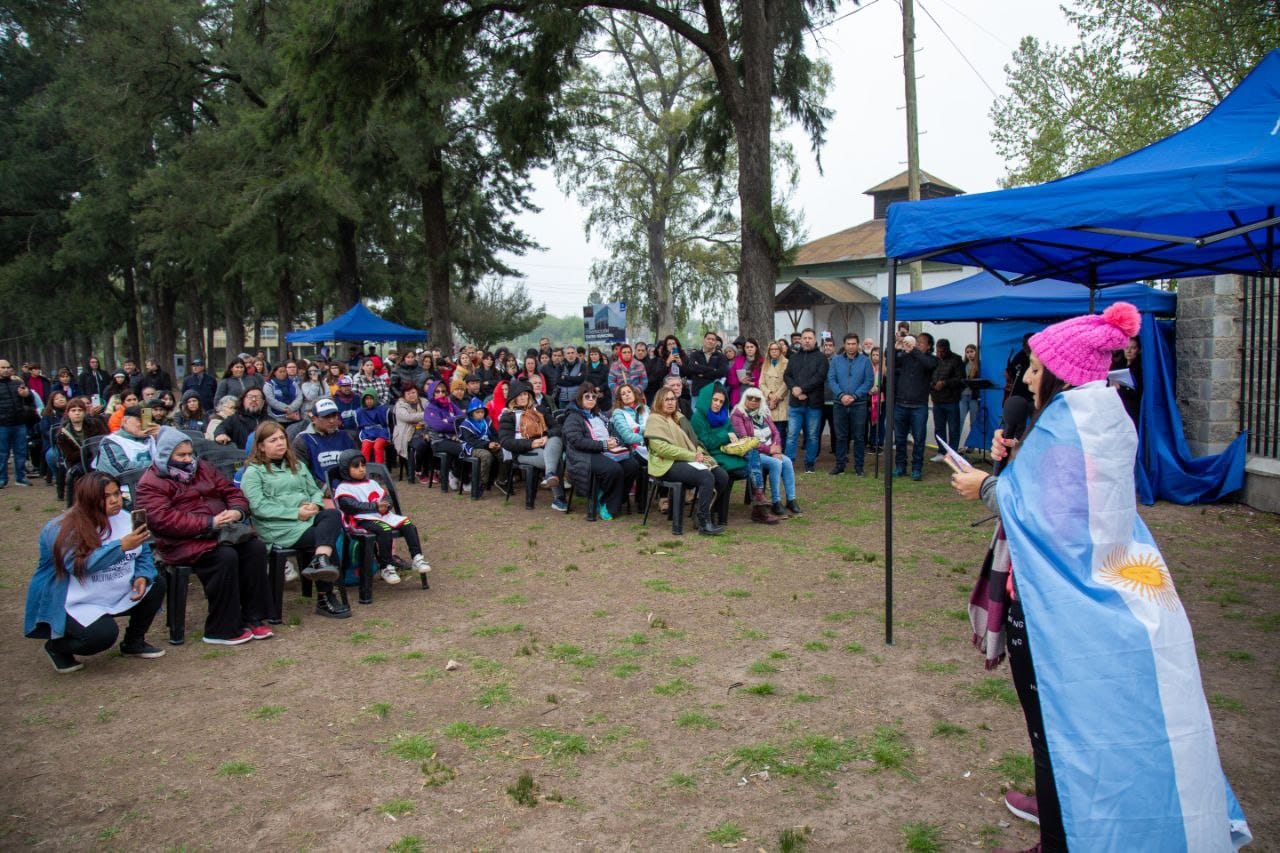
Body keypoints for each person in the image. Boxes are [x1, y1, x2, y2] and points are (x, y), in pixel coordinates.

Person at [949, 303, 1251, 853]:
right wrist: (1014, 459)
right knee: (1068, 727)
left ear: (1065, 375)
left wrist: (987, 487)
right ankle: (1062, 809)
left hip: (1051, 612)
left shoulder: (1066, 437)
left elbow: (1049, 522)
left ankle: (1060, 836)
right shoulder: (1099, 420)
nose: (1027, 378)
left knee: (1052, 732)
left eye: (1038, 369)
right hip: (1088, 601)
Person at [135, 427, 272, 645]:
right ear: (165, 454)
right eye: (181, 455)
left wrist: (237, 511)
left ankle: (253, 616)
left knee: (254, 549)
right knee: (225, 556)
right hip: (180, 541)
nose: (188, 459)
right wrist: (209, 522)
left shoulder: (204, 468)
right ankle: (221, 627)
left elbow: (231, 492)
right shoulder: (151, 482)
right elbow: (162, 519)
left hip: (218, 532)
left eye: (190, 453)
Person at [24, 472, 166, 671]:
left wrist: (142, 575)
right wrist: (121, 546)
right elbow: (77, 566)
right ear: (89, 499)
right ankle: (56, 647)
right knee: (101, 636)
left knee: (156, 583)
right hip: (75, 598)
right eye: (106, 497)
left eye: (116, 493)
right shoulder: (61, 528)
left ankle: (134, 642)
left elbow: (142, 553)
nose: (115, 500)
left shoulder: (125, 518)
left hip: (114, 586)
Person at [240, 421, 349, 618]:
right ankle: (325, 596)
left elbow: (314, 491)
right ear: (261, 446)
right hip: (279, 528)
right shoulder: (253, 473)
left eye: (282, 438)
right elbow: (258, 507)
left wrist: (315, 505)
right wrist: (295, 513)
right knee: (323, 536)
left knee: (333, 514)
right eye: (273, 440)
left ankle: (320, 559)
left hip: (307, 518)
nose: (280, 443)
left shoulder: (297, 465)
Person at [331, 449, 430, 585]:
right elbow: (350, 505)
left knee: (408, 524)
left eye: (363, 465)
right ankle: (386, 566)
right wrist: (374, 507)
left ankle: (417, 557)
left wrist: (386, 505)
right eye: (356, 466)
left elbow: (385, 497)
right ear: (345, 469)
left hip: (381, 515)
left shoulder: (371, 483)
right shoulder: (344, 488)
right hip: (360, 520)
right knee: (384, 529)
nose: (361, 469)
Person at [645, 386, 728, 535]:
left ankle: (701, 510)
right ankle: (704, 522)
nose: (671, 402)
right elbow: (662, 449)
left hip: (685, 460)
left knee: (721, 476)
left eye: (673, 399)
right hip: (666, 463)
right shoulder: (654, 419)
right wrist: (691, 456)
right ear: (659, 401)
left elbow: (692, 441)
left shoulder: (679, 418)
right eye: (667, 399)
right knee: (705, 476)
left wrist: (698, 453)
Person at [691, 383, 774, 524]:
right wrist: (725, 435)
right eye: (715, 400)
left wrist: (733, 437)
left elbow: (732, 433)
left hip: (729, 452)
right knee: (752, 466)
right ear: (707, 398)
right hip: (711, 455)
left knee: (754, 455)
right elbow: (707, 442)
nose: (718, 404)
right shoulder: (698, 417)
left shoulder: (723, 416)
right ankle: (758, 505)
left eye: (721, 402)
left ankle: (758, 500)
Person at [562, 383, 639, 520]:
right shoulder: (573, 417)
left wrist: (614, 441)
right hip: (582, 455)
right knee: (613, 469)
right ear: (580, 398)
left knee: (632, 465)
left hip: (605, 451)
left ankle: (615, 499)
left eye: (594, 396)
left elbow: (610, 432)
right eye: (587, 396)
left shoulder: (598, 415)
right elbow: (576, 441)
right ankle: (605, 502)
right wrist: (603, 445)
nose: (591, 399)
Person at [498, 379, 568, 511]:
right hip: (523, 451)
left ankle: (550, 476)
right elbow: (505, 442)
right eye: (519, 395)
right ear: (513, 398)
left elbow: (558, 427)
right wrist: (531, 443)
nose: (523, 397)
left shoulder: (540, 409)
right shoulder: (508, 416)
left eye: (525, 394)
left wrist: (546, 435)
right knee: (554, 459)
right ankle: (559, 497)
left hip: (546, 444)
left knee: (555, 439)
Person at [732, 387, 797, 517]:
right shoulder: (738, 415)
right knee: (776, 464)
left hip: (770, 451)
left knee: (787, 461)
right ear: (745, 398)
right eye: (750, 397)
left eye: (757, 399)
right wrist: (769, 449)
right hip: (752, 454)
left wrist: (776, 448)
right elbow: (745, 441)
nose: (753, 401)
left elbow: (775, 433)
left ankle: (791, 499)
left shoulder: (764, 413)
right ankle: (776, 501)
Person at [826, 333, 873, 476]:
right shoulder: (836, 360)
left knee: (859, 436)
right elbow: (831, 379)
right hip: (839, 404)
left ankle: (859, 466)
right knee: (840, 436)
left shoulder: (865, 361)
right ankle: (840, 464)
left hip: (858, 403)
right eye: (848, 343)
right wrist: (841, 395)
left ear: (858, 345)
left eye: (854, 344)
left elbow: (868, 381)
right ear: (844, 345)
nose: (851, 346)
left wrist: (854, 395)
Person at [892, 333, 938, 481]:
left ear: (929, 346)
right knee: (899, 438)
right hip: (901, 404)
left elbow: (929, 364)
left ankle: (917, 468)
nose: (917, 344)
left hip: (919, 406)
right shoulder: (906, 357)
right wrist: (896, 347)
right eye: (916, 342)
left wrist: (914, 350)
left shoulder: (931, 359)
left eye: (921, 343)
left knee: (919, 439)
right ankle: (900, 466)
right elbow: (891, 361)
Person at [783, 329, 826, 473]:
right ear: (800, 340)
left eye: (810, 338)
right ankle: (789, 463)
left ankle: (809, 463)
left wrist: (802, 389)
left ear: (815, 340)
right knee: (791, 436)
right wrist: (794, 388)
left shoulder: (821, 358)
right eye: (804, 338)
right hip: (796, 404)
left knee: (813, 436)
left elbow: (819, 378)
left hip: (813, 404)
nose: (807, 340)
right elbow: (787, 376)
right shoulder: (794, 358)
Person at [292, 397, 358, 485]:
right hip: (320, 493)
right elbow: (302, 474)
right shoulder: (302, 440)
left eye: (334, 416)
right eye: (326, 417)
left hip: (349, 489)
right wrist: (325, 490)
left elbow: (358, 464)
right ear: (314, 419)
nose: (331, 421)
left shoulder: (346, 436)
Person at [0, 359, 37, 487]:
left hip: (19, 424)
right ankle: (2, 479)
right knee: (2, 453)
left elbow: (31, 400)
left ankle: (20, 477)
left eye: (7, 367)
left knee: (21, 452)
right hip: (2, 425)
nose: (5, 370)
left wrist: (26, 394)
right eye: (2, 367)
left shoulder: (17, 383)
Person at [95, 407, 159, 476]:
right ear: (125, 421)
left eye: (148, 421)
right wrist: (158, 465)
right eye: (140, 420)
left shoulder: (153, 438)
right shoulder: (111, 442)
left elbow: (170, 460)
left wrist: (161, 437)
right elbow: (121, 469)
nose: (145, 425)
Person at [929, 338, 965, 463]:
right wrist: (933, 385)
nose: (939, 354)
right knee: (939, 428)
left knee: (953, 428)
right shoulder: (935, 361)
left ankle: (953, 452)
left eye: (942, 352)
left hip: (952, 399)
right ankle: (941, 451)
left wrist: (945, 383)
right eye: (938, 351)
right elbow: (929, 376)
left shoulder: (956, 359)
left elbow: (960, 379)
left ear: (947, 349)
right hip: (937, 399)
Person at [55, 397, 108, 477]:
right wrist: (87, 449)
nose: (77, 413)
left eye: (80, 410)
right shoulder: (62, 434)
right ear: (68, 413)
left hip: (100, 457)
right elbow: (70, 457)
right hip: (79, 462)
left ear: (84, 412)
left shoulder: (96, 424)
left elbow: (106, 439)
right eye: (73, 410)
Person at [457, 398, 500, 491]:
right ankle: (481, 483)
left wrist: (497, 443)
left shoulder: (487, 420)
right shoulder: (466, 424)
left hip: (488, 444)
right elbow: (471, 441)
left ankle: (500, 480)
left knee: (503, 453)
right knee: (486, 455)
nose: (481, 414)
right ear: (471, 413)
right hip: (471, 447)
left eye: (482, 412)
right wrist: (487, 444)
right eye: (477, 412)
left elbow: (495, 434)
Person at [392, 385, 430, 482]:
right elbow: (408, 417)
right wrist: (424, 415)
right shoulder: (400, 405)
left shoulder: (424, 401)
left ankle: (428, 471)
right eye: (408, 393)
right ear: (404, 395)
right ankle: (417, 469)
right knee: (421, 444)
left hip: (425, 431)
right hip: (407, 434)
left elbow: (432, 415)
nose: (411, 395)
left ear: (417, 392)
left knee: (433, 443)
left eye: (413, 392)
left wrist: (423, 420)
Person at [760, 341, 789, 447]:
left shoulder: (787, 363)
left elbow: (787, 383)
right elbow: (761, 383)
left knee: (781, 432)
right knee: (769, 432)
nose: (774, 351)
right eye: (772, 349)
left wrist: (776, 397)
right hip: (768, 402)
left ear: (780, 350)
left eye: (776, 349)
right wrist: (770, 395)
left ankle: (782, 453)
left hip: (781, 402)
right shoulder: (765, 364)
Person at [355, 389, 392, 465]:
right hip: (367, 433)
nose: (369, 401)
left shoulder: (383, 409)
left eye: (371, 398)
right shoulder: (360, 411)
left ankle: (379, 469)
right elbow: (359, 426)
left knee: (377, 447)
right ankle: (365, 469)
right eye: (367, 399)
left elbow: (388, 425)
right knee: (365, 447)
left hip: (381, 433)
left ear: (375, 398)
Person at [687, 331, 728, 399]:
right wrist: (713, 370)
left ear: (715, 342)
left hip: (714, 394)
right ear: (704, 340)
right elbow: (691, 367)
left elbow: (722, 372)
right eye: (708, 339)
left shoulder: (721, 356)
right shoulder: (695, 354)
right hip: (697, 393)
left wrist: (702, 373)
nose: (710, 341)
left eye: (713, 339)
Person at [610, 383, 647, 451]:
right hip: (635, 451)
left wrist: (638, 429)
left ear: (634, 394)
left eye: (629, 392)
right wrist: (649, 438)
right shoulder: (618, 413)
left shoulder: (645, 408)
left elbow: (655, 427)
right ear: (620, 399)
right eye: (623, 394)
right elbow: (628, 438)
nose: (627, 395)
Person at [726, 338, 763, 407]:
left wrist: (753, 383)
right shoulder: (738, 360)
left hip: (755, 396)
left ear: (756, 348)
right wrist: (739, 381)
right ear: (744, 349)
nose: (749, 349)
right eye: (747, 347)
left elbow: (765, 381)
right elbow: (730, 378)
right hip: (739, 396)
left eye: (752, 347)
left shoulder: (762, 362)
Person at [959, 344, 982, 452]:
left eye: (971, 351)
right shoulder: (963, 365)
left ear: (976, 352)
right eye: (967, 352)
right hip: (963, 396)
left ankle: (971, 445)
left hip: (974, 397)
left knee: (973, 421)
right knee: (960, 420)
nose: (969, 354)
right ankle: (956, 443)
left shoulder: (979, 365)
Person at [868, 346, 885, 453]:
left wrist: (879, 388)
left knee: (880, 421)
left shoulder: (885, 369)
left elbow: (887, 384)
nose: (875, 357)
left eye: (877, 355)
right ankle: (872, 442)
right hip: (870, 398)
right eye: (873, 355)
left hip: (882, 399)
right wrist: (869, 390)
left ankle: (880, 443)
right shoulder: (868, 367)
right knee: (872, 422)